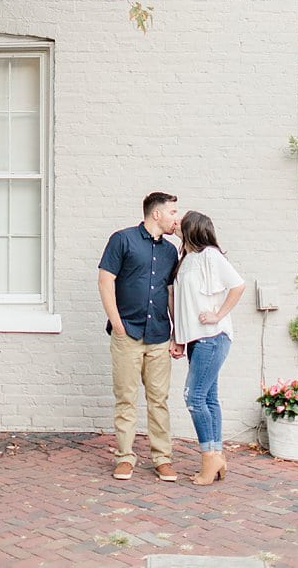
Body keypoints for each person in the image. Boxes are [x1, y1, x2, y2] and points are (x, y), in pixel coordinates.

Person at [97, 191, 182, 482]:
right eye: (172, 212)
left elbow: (170, 293)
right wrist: (117, 323)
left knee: (159, 400)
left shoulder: (171, 251)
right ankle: (124, 457)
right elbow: (105, 280)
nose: (176, 218)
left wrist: (177, 334)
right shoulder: (122, 239)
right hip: (128, 333)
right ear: (155, 214)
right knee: (126, 398)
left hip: (159, 335)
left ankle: (162, 458)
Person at [172, 210, 246, 485]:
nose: (178, 224)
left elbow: (238, 286)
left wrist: (218, 314)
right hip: (196, 339)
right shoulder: (187, 259)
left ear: (194, 229)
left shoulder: (211, 256)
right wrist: (178, 337)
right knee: (209, 398)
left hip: (212, 336)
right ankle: (216, 455)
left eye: (183, 222)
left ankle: (209, 458)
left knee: (194, 397)